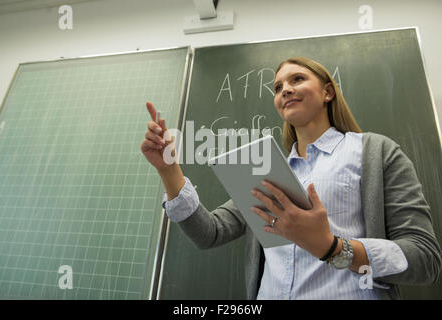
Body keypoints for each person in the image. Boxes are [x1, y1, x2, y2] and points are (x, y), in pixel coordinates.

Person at [140, 56, 441, 300]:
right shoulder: (264, 170)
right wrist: (169, 170)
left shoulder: (375, 152)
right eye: (277, 86)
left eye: (297, 79)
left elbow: (425, 259)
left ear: (327, 92)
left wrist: (333, 248)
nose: (284, 89)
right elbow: (210, 232)